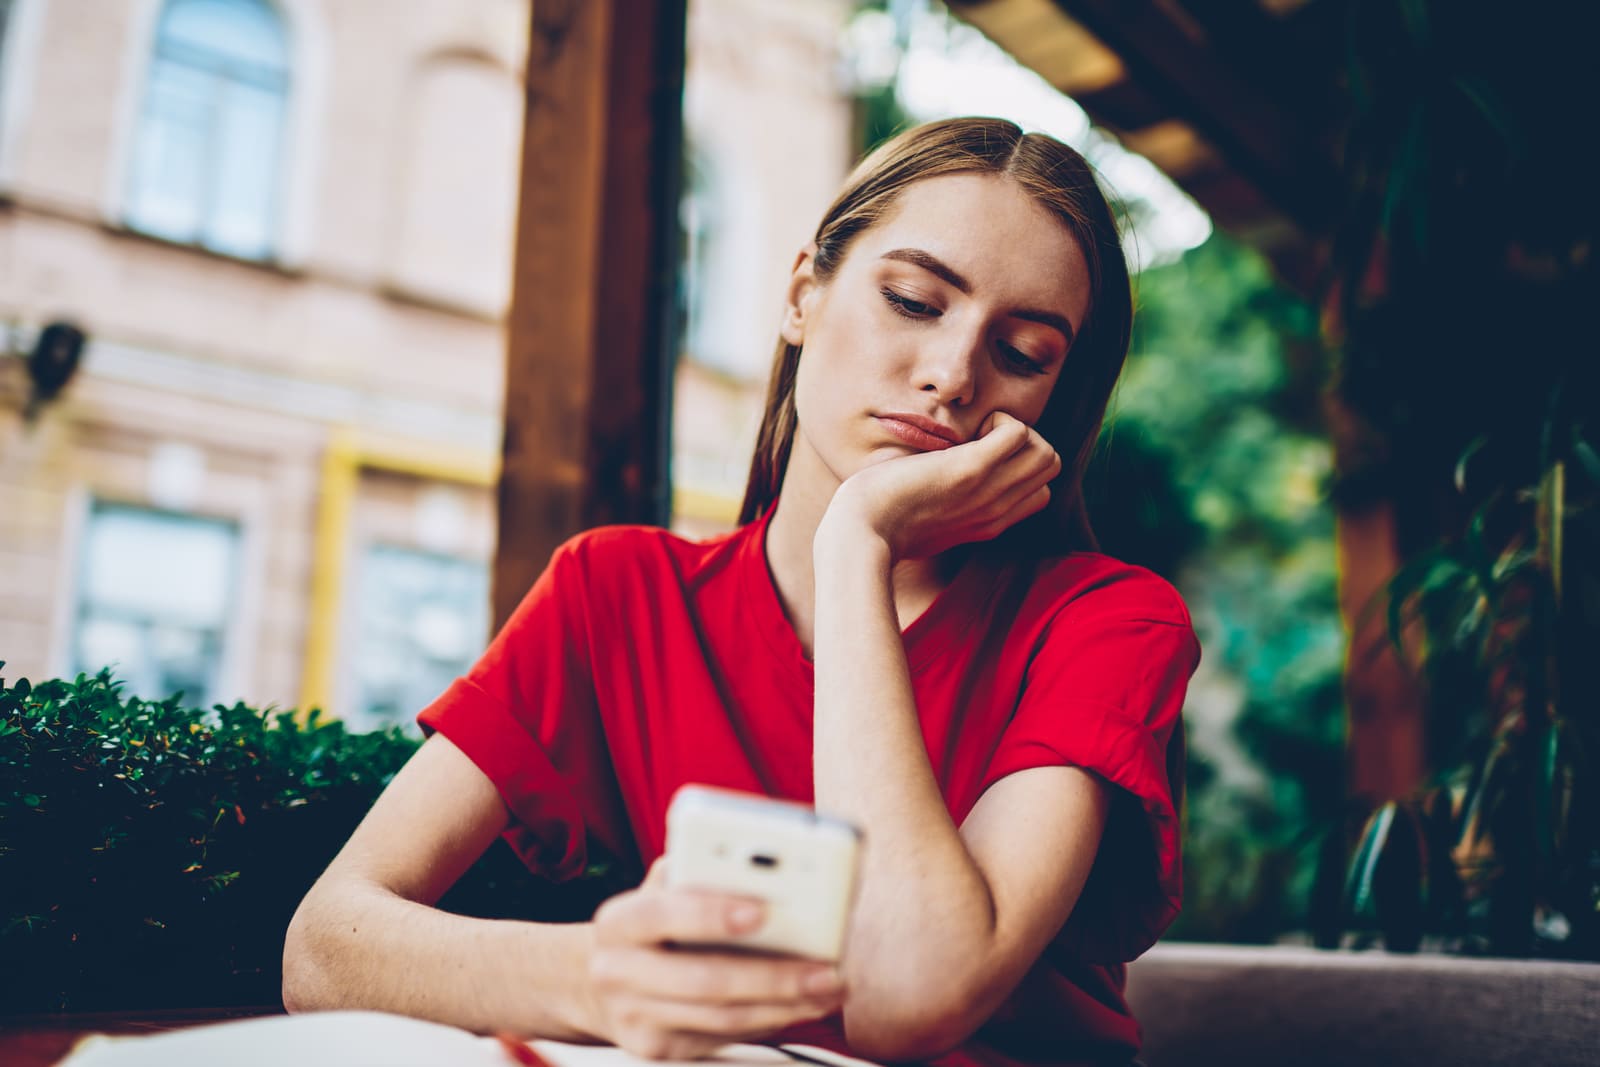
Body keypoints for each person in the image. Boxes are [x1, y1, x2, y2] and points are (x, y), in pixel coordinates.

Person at [283, 117, 1200, 1067]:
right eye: (915, 300)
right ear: (805, 291)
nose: (952, 376)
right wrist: (602, 976)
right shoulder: (618, 592)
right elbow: (322, 946)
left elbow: (907, 996)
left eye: (1023, 353)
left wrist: (859, 544)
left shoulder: (1109, 623)